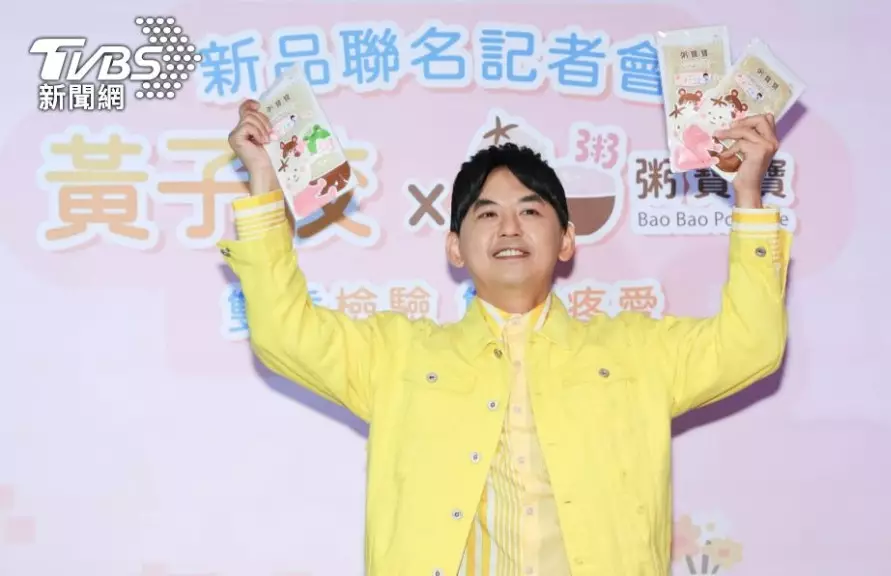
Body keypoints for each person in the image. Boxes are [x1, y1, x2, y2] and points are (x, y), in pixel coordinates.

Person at [221, 99, 791, 575]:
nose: (510, 228)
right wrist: (264, 183)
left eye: (531, 211)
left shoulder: (636, 353)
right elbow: (284, 332)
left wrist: (749, 195)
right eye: (487, 214)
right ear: (454, 247)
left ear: (567, 241)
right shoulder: (397, 357)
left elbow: (751, 346)